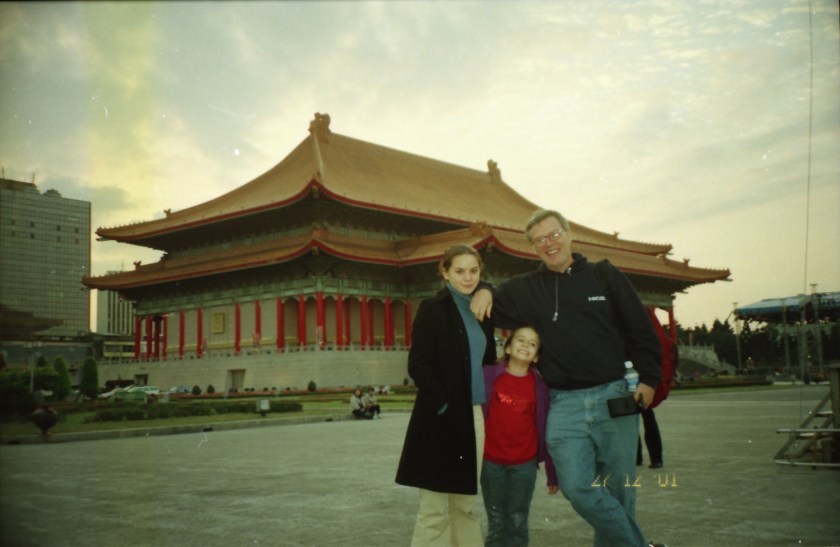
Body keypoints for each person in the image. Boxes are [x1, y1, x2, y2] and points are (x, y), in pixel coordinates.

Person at [471, 209, 667, 547]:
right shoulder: (528, 288)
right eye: (540, 240)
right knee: (576, 486)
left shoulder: (604, 275)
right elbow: (489, 304)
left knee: (619, 491)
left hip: (614, 395)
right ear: (533, 248)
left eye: (554, 234)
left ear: (568, 232)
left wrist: (649, 378)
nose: (549, 244)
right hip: (564, 402)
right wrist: (485, 288)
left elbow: (640, 328)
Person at [395, 244, 497, 546]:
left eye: (474, 271)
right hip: (440, 418)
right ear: (445, 272)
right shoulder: (433, 308)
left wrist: (488, 289)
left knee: (465, 503)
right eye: (459, 271)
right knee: (434, 508)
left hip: (474, 414)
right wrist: (443, 401)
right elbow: (418, 364)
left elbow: (488, 358)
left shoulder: (482, 308)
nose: (468, 278)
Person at [481, 325, 559, 547]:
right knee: (496, 521)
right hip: (491, 462)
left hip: (524, 465)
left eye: (532, 344)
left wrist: (552, 474)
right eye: (520, 340)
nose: (525, 345)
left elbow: (546, 431)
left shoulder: (541, 388)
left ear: (536, 357)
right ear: (507, 347)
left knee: (517, 520)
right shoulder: (488, 376)